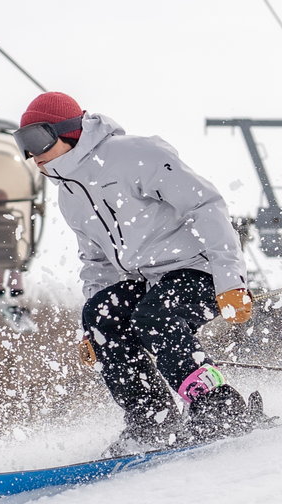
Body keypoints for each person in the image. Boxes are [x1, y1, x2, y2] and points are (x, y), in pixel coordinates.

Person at [14, 91, 259, 452]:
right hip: (150, 281)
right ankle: (152, 421)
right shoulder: (70, 194)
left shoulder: (134, 155)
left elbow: (206, 205)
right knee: (100, 315)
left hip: (199, 268)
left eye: (36, 139)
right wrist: (93, 330)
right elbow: (96, 262)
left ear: (67, 131)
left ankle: (219, 408)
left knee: (154, 317)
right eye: (23, 144)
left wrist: (230, 281)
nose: (32, 155)